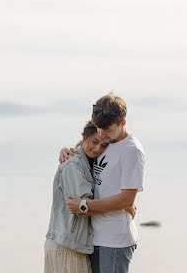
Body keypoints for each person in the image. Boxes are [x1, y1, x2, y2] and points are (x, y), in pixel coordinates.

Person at [60, 93, 145, 273]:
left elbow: (126, 200)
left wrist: (84, 206)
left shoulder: (132, 151)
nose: (101, 135)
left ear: (122, 123)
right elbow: (86, 151)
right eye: (98, 128)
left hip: (114, 241)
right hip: (94, 238)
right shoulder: (106, 143)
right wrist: (68, 150)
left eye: (107, 130)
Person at [45, 121, 136, 273]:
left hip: (74, 245)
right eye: (94, 142)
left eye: (103, 146)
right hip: (67, 246)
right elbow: (83, 206)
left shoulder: (89, 163)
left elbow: (97, 194)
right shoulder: (73, 164)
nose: (97, 149)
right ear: (83, 136)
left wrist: (123, 200)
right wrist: (123, 202)